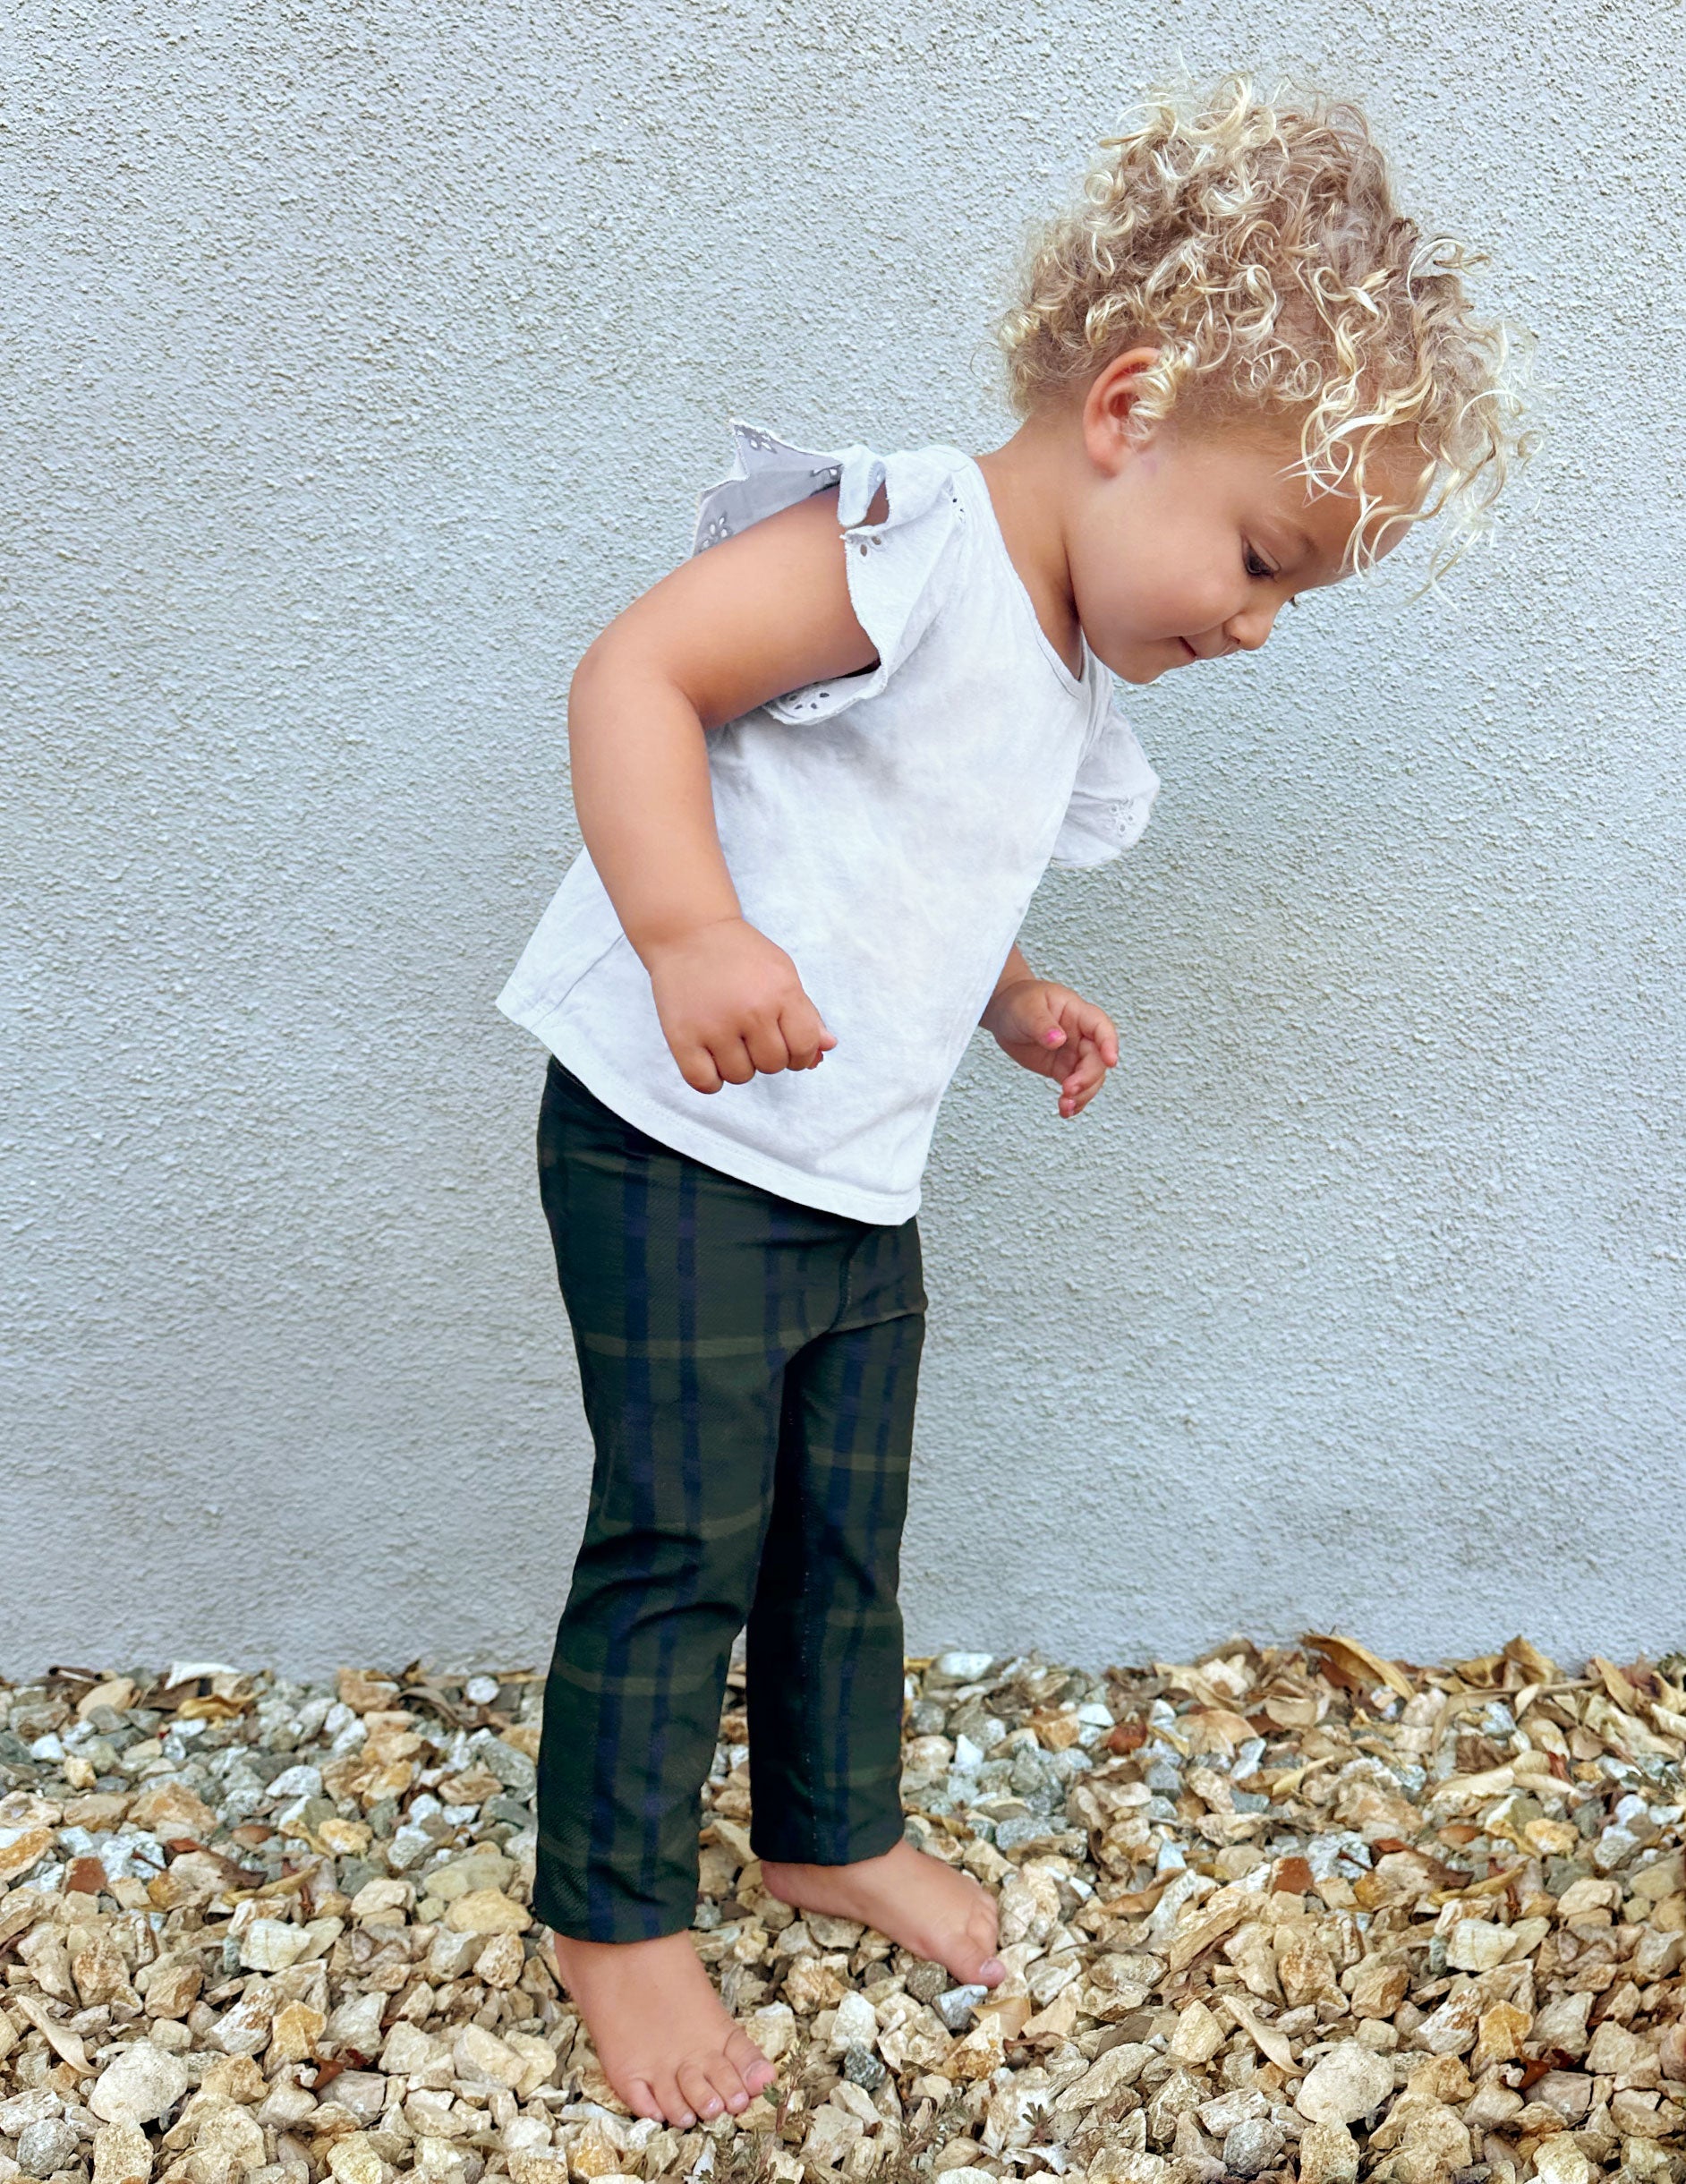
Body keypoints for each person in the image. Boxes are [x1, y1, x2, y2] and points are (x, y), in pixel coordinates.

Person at [494, 71, 1535, 2132]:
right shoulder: (908, 550)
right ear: (1129, 409)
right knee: (683, 1527)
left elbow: (922, 868)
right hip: (674, 1139)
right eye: (1260, 557)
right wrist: (691, 933)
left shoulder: (1056, 682)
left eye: (1291, 598)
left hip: (846, 1169)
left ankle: (824, 1819)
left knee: (839, 1524)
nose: (1250, 621)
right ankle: (610, 1910)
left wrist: (1021, 993)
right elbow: (638, 674)